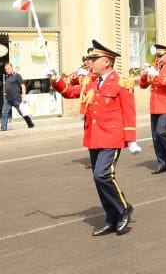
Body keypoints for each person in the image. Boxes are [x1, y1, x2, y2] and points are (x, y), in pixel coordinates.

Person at [51, 40, 139, 236]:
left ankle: (124, 208)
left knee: (103, 175)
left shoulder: (121, 82)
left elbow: (130, 112)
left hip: (112, 136)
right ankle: (111, 218)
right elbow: (70, 92)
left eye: (94, 58)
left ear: (106, 62)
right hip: (94, 136)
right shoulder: (91, 81)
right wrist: (56, 80)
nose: (90, 62)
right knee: (97, 179)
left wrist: (131, 139)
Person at [138, 42, 166, 174]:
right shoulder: (155, 66)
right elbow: (143, 85)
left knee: (161, 131)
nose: (157, 58)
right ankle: (161, 163)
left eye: (160, 55)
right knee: (155, 136)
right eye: (156, 55)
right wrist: (146, 74)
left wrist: (157, 75)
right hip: (155, 105)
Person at [0, 63, 34, 131]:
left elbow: (23, 86)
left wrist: (24, 96)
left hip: (16, 99)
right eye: (6, 69)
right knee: (4, 113)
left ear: (12, 68)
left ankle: (30, 124)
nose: (7, 70)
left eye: (8, 69)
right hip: (7, 99)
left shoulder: (17, 76)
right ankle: (3, 128)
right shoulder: (7, 77)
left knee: (22, 112)